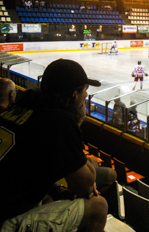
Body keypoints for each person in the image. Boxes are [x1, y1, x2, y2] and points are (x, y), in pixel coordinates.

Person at [0, 59, 107, 231]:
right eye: (85, 91)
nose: (86, 96)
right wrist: (77, 122)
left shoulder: (21, 108)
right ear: (74, 95)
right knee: (98, 206)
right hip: (5, 220)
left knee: (53, 195)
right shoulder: (58, 120)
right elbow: (85, 186)